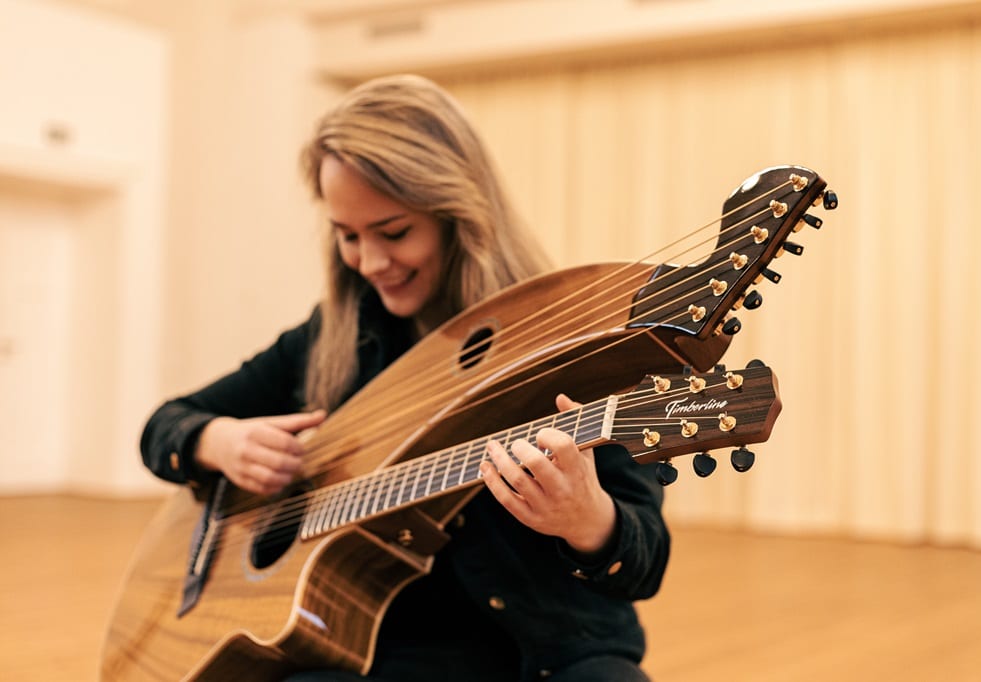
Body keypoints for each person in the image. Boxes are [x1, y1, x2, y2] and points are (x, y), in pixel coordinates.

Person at [140, 74, 670, 682]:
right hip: (385, 648)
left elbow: (644, 561)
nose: (369, 262)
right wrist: (217, 441)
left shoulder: (567, 337)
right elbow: (165, 425)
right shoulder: (334, 334)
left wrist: (589, 520)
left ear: (459, 214)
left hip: (550, 646)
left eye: (393, 233)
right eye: (347, 236)